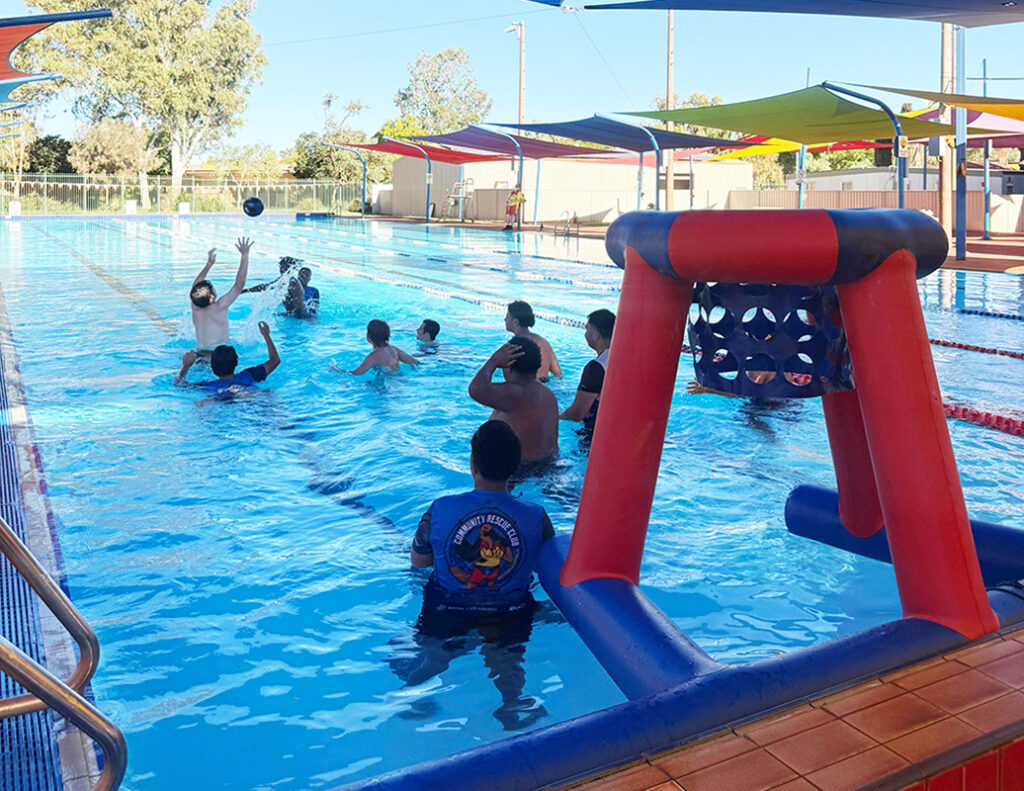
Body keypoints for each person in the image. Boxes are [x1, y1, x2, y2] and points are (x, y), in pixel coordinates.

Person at [393, 420, 554, 729]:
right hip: (510, 609)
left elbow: (419, 561)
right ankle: (512, 706)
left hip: (447, 606)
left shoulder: (439, 509)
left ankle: (410, 694)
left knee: (435, 658)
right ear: (515, 466)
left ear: (472, 463)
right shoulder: (536, 515)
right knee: (508, 664)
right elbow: (547, 566)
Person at [468, 338, 558, 464]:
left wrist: (493, 361)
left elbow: (476, 388)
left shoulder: (517, 392)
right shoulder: (547, 394)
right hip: (548, 464)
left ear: (508, 364)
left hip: (521, 469)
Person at [176, 320, 280, 393]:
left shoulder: (208, 386)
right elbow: (275, 360)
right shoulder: (251, 375)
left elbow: (179, 385)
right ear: (236, 363)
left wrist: (185, 366)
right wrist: (266, 335)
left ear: (212, 367)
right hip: (253, 398)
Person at [189, 238, 254, 352]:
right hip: (216, 356)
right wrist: (245, 255)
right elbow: (239, 285)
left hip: (199, 354)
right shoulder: (219, 307)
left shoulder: (195, 307)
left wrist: (209, 264)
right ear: (211, 297)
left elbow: (195, 287)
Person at [559, 309, 614, 434]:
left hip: (595, 438)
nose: (585, 334)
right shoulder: (623, 358)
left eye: (586, 329)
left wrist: (555, 417)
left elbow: (577, 414)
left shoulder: (595, 368)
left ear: (595, 335)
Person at [505, 300, 561, 382]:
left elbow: (509, 377)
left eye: (507, 317)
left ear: (515, 322)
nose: (505, 319)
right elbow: (558, 374)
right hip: (542, 388)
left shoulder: (514, 345)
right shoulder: (543, 342)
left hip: (524, 390)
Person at [350, 319, 419, 375]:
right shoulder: (393, 349)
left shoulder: (373, 356)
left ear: (369, 336)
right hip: (401, 380)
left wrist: (340, 371)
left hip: (388, 386)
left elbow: (356, 374)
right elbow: (413, 362)